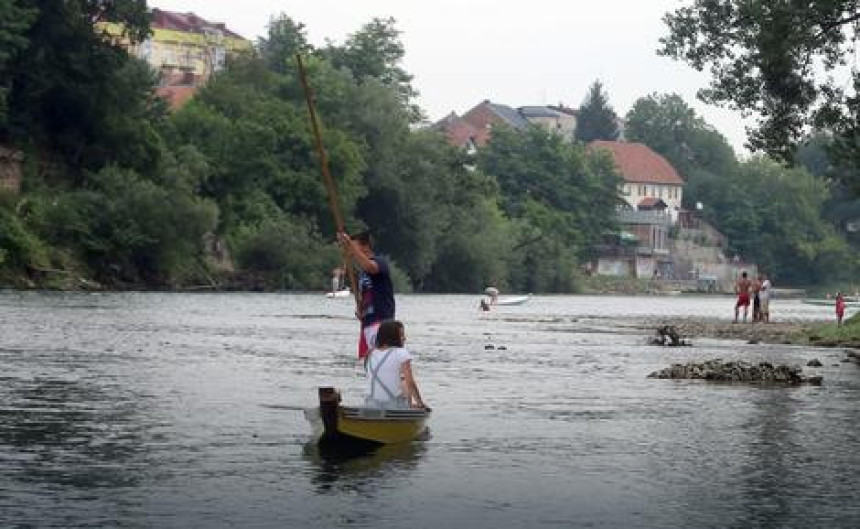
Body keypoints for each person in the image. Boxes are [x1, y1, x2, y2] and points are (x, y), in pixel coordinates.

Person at [337, 231, 394, 359]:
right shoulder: (363, 273)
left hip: (381, 323)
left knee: (381, 362)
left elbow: (371, 267)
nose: (350, 249)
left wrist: (350, 244)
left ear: (365, 246)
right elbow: (368, 295)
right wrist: (361, 308)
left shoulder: (380, 262)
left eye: (353, 246)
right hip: (367, 323)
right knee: (367, 363)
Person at [364, 320, 429, 410]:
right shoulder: (401, 353)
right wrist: (420, 404)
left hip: (371, 405)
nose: (404, 338)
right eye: (401, 335)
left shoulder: (370, 353)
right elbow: (410, 383)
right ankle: (409, 408)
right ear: (393, 337)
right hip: (393, 406)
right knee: (404, 382)